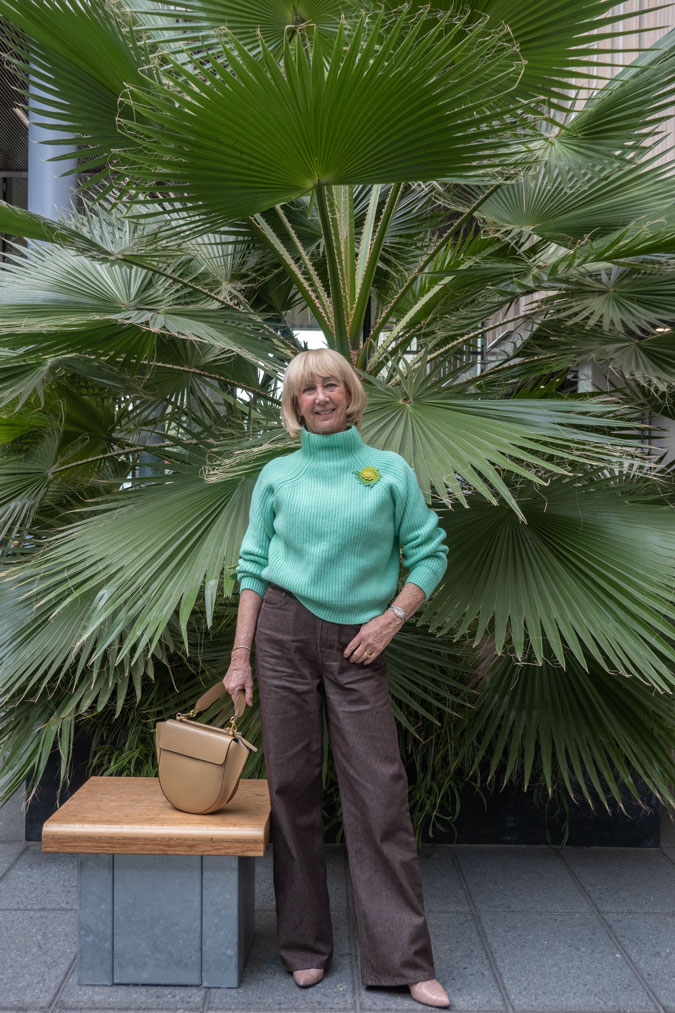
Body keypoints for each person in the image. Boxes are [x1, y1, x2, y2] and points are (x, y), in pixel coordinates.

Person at [223, 347, 451, 1008]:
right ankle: (303, 945)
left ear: (349, 395)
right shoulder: (276, 476)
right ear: (293, 406)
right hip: (283, 634)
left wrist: (390, 621)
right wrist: (240, 658)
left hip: (360, 642)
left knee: (379, 792)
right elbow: (253, 568)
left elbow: (429, 553)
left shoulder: (389, 471)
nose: (320, 397)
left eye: (330, 385)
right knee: (291, 786)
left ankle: (403, 959)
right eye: (306, 390)